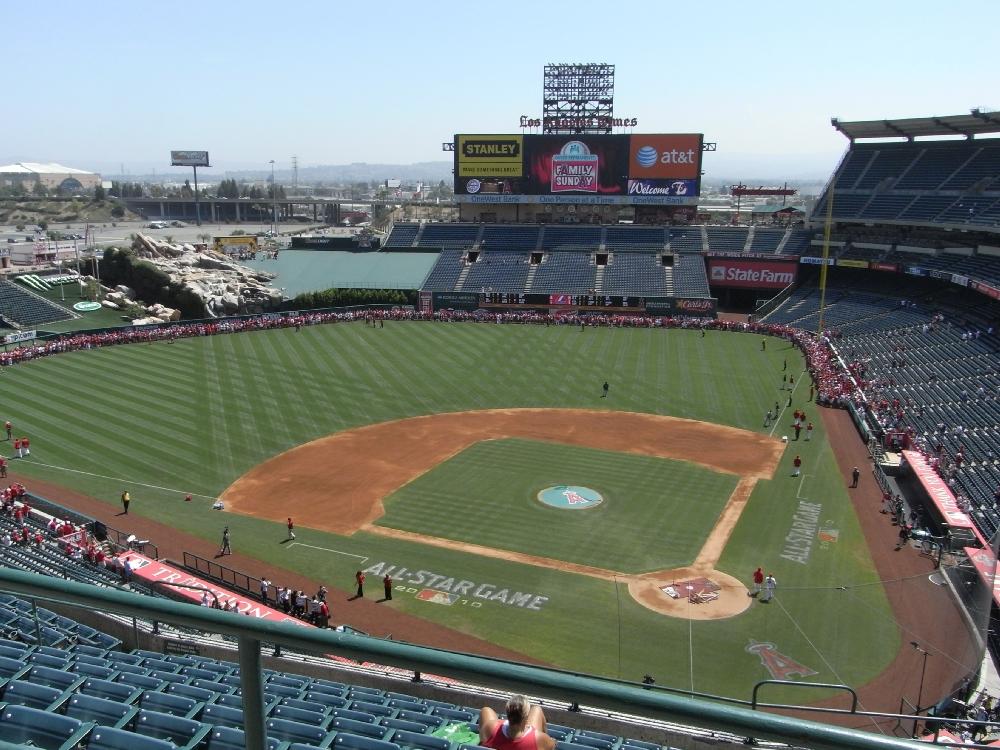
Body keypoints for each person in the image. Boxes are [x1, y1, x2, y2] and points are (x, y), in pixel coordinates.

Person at [479, 694, 556, 750]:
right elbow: (552, 746)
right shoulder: (540, 739)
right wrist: (551, 741)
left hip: (497, 741)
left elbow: (483, 741)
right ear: (526, 717)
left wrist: (501, 723)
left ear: (508, 713)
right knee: (537, 709)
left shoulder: (489, 727)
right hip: (532, 741)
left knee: (486, 710)